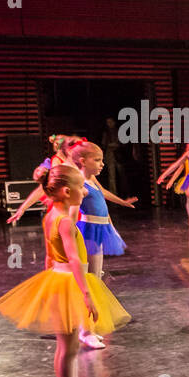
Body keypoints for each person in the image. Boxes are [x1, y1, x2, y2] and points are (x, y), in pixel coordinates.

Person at [0, 164, 130, 377]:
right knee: (67, 349)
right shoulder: (65, 221)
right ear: (67, 191)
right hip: (68, 283)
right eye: (81, 188)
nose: (85, 193)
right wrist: (86, 294)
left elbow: (48, 254)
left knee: (69, 348)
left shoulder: (51, 215)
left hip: (57, 280)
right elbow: (74, 260)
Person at [70, 140, 136, 347]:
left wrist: (122, 202)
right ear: (83, 161)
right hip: (87, 232)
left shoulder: (92, 180)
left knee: (95, 278)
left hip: (99, 230)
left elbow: (104, 194)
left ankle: (88, 326)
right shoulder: (80, 184)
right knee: (88, 281)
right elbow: (71, 213)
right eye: (97, 160)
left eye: (101, 160)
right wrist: (68, 237)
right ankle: (85, 330)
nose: (102, 164)